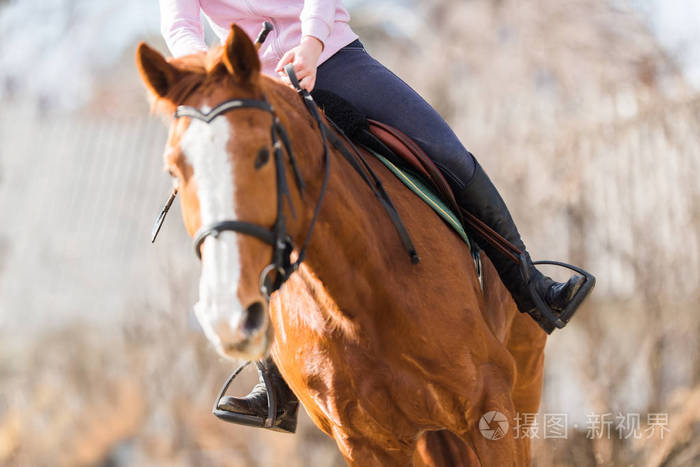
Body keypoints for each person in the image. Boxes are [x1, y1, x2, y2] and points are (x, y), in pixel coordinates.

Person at [159, 0, 592, 433]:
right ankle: (273, 379)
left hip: (329, 57)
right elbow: (179, 22)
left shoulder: (322, 49)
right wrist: (206, 75)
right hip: (250, 89)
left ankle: (529, 284)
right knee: (242, 205)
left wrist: (310, 44)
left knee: (447, 154)